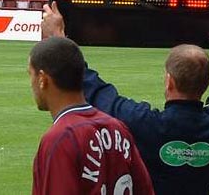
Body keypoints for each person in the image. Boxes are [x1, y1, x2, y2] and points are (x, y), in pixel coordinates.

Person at [41, 0, 209, 195]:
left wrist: (60, 39)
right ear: (207, 82)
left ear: (169, 81)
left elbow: (93, 89)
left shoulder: (144, 124)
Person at [29, 37, 154, 195]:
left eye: (30, 75)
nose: (30, 83)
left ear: (42, 79)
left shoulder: (60, 139)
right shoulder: (118, 128)